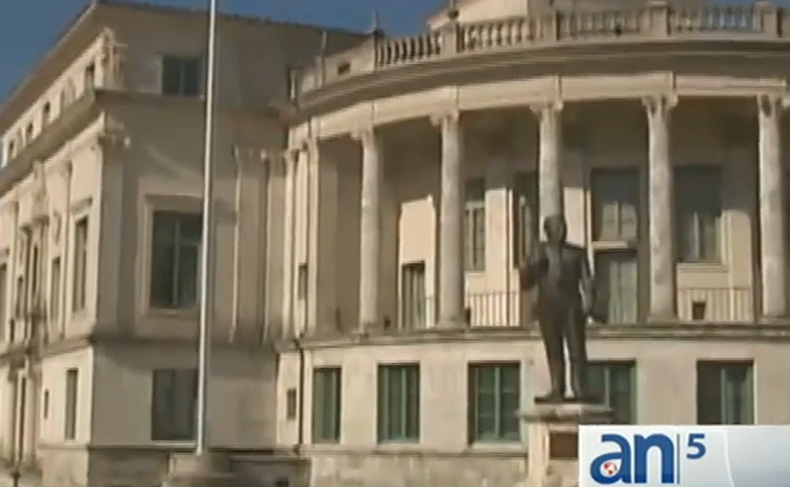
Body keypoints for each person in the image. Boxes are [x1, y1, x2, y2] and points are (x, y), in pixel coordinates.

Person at [520, 214, 595, 402]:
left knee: (577, 349)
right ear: (548, 231)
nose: (561, 231)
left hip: (571, 304)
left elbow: (587, 279)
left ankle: (579, 389)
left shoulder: (577, 253)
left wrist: (589, 301)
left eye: (563, 226)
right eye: (556, 227)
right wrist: (533, 266)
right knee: (554, 349)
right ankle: (557, 388)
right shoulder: (540, 251)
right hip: (548, 305)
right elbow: (526, 282)